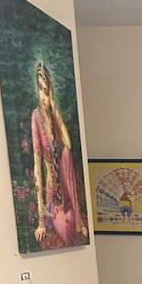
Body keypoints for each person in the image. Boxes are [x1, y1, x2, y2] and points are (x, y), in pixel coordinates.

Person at [31, 62, 87, 246]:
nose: (43, 96)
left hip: (66, 190)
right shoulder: (36, 117)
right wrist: (41, 222)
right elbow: (37, 167)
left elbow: (68, 144)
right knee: (63, 227)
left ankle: (77, 220)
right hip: (52, 194)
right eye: (40, 89)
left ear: (51, 91)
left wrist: (54, 108)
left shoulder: (54, 115)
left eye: (46, 90)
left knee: (65, 154)